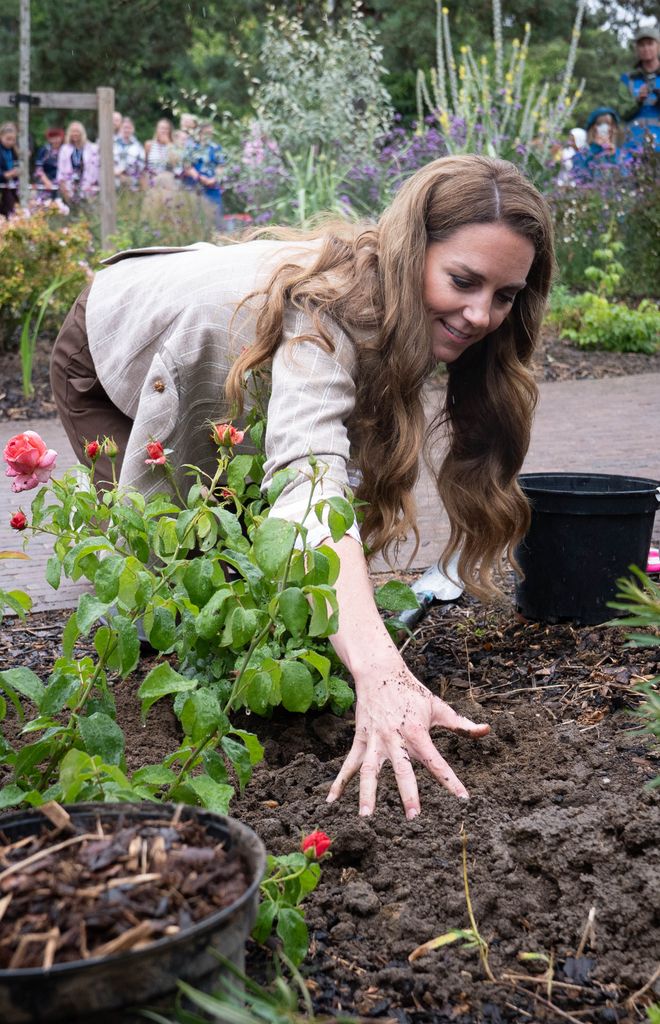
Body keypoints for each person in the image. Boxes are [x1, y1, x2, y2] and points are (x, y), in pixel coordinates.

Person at [50, 154, 554, 819]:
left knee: (251, 558)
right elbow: (309, 486)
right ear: (412, 251)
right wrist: (380, 671)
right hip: (115, 347)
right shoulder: (327, 312)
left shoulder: (408, 312)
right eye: (463, 281)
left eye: (505, 295)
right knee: (174, 566)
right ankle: (175, 733)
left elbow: (319, 476)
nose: (481, 314)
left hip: (218, 352)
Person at [619, 25, 660, 152]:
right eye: (641, 45)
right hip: (634, 146)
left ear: (658, 46)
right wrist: (638, 101)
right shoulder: (627, 79)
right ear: (636, 49)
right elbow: (622, 113)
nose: (646, 48)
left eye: (650, 43)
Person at [180, 121, 225, 223]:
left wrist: (214, 179)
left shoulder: (216, 148)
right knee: (196, 219)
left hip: (213, 188)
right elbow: (187, 166)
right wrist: (200, 177)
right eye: (206, 133)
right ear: (200, 133)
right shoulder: (192, 148)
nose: (208, 136)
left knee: (215, 219)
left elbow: (221, 166)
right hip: (196, 188)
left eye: (211, 133)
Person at [572, 108, 629, 178]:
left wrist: (613, 157)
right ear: (592, 128)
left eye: (610, 124)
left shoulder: (621, 154)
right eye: (599, 124)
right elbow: (580, 177)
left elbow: (626, 177)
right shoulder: (582, 155)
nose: (605, 128)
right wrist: (595, 148)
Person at [57, 121, 99, 203]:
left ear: (82, 133)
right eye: (73, 131)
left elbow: (96, 169)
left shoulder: (92, 148)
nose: (75, 134)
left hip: (88, 187)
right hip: (69, 187)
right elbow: (61, 170)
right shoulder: (65, 149)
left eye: (77, 131)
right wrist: (63, 187)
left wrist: (93, 186)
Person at [113, 117, 145, 190]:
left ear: (133, 129)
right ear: (120, 129)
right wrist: (115, 172)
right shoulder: (112, 143)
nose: (127, 130)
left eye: (129, 128)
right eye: (124, 127)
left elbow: (141, 165)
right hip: (113, 181)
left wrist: (125, 171)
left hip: (131, 182)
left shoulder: (138, 146)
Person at [34, 127, 65, 197]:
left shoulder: (65, 150)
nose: (55, 140)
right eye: (53, 137)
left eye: (57, 137)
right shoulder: (44, 150)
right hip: (45, 181)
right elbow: (38, 168)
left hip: (61, 183)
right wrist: (46, 181)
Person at [144, 117, 176, 182]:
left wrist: (168, 144)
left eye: (166, 129)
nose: (163, 131)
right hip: (151, 178)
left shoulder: (173, 146)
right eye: (161, 128)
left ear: (169, 131)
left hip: (167, 179)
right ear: (157, 129)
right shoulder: (149, 144)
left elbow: (174, 163)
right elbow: (144, 164)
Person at [0, 121, 20, 218]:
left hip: (12, 187)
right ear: (1, 136)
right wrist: (5, 174)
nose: (10, 142)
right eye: (8, 139)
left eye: (13, 140)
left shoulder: (14, 150)